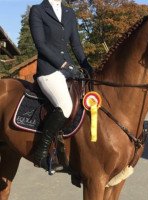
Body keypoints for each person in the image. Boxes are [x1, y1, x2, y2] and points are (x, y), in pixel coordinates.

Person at [29, 0, 93, 171]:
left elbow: (76, 44)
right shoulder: (38, 10)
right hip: (49, 70)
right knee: (65, 105)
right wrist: (62, 64)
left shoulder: (69, 13)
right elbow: (40, 45)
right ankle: (40, 152)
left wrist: (87, 66)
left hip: (70, 70)